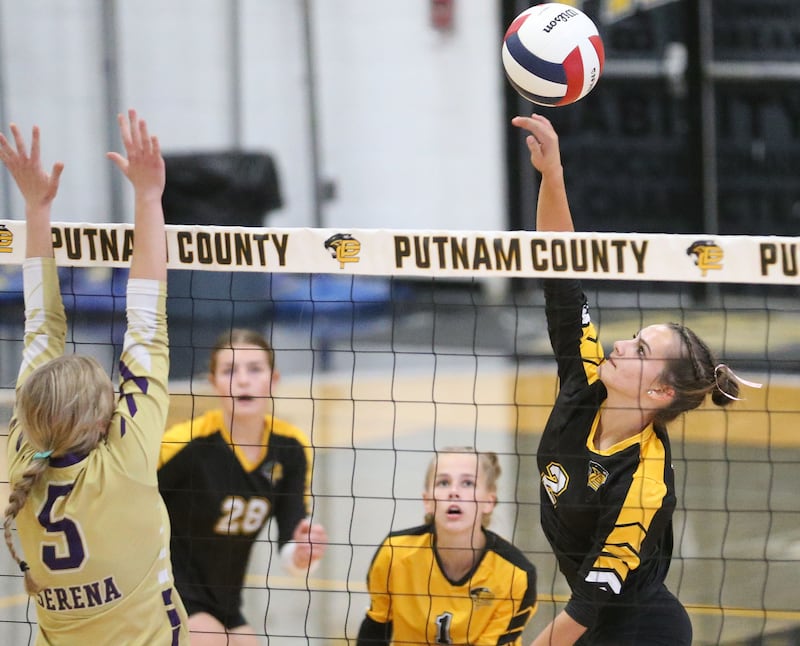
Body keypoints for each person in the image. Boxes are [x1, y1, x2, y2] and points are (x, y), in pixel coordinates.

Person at [512, 113, 760, 646]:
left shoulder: (644, 480)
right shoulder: (586, 381)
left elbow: (584, 610)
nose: (620, 345)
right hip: (592, 621)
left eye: (641, 350)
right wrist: (552, 175)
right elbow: (560, 274)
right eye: (633, 338)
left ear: (660, 392)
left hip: (640, 631)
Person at [1, 110, 190, 644]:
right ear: (105, 417)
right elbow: (141, 323)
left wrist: (37, 207)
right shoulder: (122, 462)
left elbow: (43, 329)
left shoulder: (24, 458)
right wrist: (150, 197)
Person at [157, 328, 328, 645]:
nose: (243, 381)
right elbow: (129, 503)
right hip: (167, 591)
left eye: (254, 369)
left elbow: (291, 542)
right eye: (229, 370)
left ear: (273, 380)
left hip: (226, 604)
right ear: (213, 382)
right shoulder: (184, 444)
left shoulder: (290, 449)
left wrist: (304, 553)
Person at [357, 446, 538, 645]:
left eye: (467, 483)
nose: (454, 492)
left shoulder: (516, 574)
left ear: (489, 501)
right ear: (427, 501)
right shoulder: (395, 553)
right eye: (443, 482)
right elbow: (375, 629)